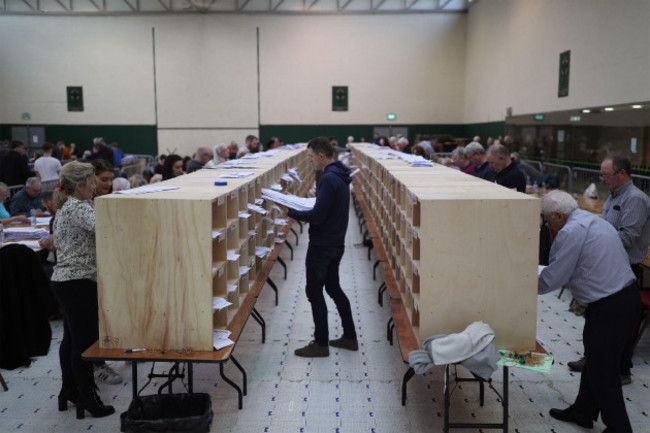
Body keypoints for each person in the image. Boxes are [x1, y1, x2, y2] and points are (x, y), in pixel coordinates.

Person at [538, 190, 640, 433]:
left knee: (605, 370)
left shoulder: (571, 232)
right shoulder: (592, 220)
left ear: (559, 216)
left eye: (546, 218)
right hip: (621, 299)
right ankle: (583, 411)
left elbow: (555, 277)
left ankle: (619, 428)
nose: (546, 223)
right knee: (595, 360)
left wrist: (521, 285)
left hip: (611, 304)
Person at [568, 153, 650, 381]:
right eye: (602, 175)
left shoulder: (635, 199)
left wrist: (595, 234)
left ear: (622, 173)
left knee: (616, 326)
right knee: (595, 319)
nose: (603, 179)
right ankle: (592, 358)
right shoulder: (614, 195)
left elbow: (628, 237)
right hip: (607, 266)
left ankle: (621, 370)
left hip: (623, 271)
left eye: (607, 175)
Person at [50, 161, 116, 419]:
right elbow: (108, 229)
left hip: (66, 281)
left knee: (70, 342)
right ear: (80, 185)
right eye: (92, 182)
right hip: (78, 282)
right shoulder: (79, 207)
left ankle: (69, 391)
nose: (95, 186)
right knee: (84, 346)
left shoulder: (70, 205)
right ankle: (88, 398)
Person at [285, 137, 357, 357]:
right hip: (336, 242)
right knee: (333, 288)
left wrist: (289, 209)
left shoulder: (328, 178)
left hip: (322, 245)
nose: (310, 161)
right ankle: (350, 337)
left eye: (310, 157)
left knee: (314, 292)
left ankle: (320, 343)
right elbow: (324, 206)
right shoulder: (340, 174)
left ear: (321, 156)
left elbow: (317, 216)